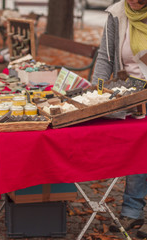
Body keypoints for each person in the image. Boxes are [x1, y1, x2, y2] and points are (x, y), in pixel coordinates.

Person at [91, 0, 147, 238]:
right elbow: (105, 57)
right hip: (131, 95)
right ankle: (132, 211)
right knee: (138, 151)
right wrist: (96, 93)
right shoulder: (117, 14)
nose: (135, 1)